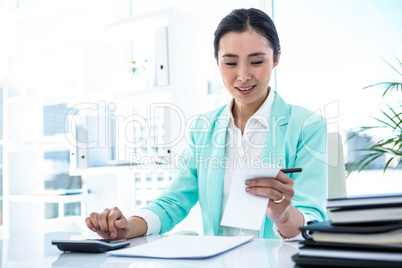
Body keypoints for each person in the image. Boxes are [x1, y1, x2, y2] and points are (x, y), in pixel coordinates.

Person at [85, 8, 327, 240]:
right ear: (217, 61)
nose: (242, 75)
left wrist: (283, 215)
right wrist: (127, 227)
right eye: (230, 63)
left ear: (276, 58)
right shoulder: (203, 128)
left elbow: (312, 217)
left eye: (256, 62)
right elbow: (173, 201)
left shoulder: (307, 126)